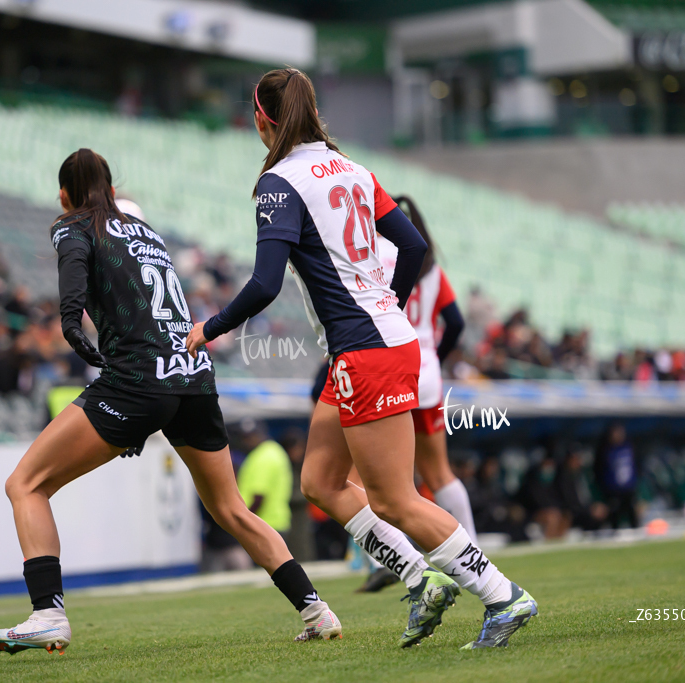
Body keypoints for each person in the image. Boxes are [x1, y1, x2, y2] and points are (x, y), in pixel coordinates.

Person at [185, 68, 537, 650]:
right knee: (321, 480)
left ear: (263, 118)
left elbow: (265, 283)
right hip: (376, 342)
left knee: (397, 499)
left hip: (365, 350)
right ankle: (420, 578)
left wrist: (213, 327)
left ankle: (503, 596)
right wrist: (388, 305)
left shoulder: (280, 182)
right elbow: (415, 246)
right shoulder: (352, 169)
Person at [0, 148, 341, 656]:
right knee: (232, 508)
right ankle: (316, 610)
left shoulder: (72, 225)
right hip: (193, 377)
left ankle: (47, 614)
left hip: (137, 380)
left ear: (64, 195)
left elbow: (75, 278)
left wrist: (68, 322)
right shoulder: (148, 233)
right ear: (111, 190)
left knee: (25, 484)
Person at [377, 195, 475, 540]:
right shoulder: (433, 268)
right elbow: (456, 323)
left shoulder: (380, 258)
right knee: (441, 473)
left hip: (390, 367)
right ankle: (472, 547)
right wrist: (436, 354)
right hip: (427, 372)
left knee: (391, 480)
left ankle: (398, 559)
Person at [236, 420, 294, 536]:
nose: (246, 441)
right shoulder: (274, 451)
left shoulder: (263, 456)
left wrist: (245, 522)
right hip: (275, 522)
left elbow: (258, 497)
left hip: (265, 524)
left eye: (249, 437)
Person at [595, 423, 639, 529]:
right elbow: (598, 470)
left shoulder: (629, 447)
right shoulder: (605, 450)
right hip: (612, 490)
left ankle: (635, 530)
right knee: (614, 514)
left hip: (629, 489)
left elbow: (637, 466)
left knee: (631, 512)